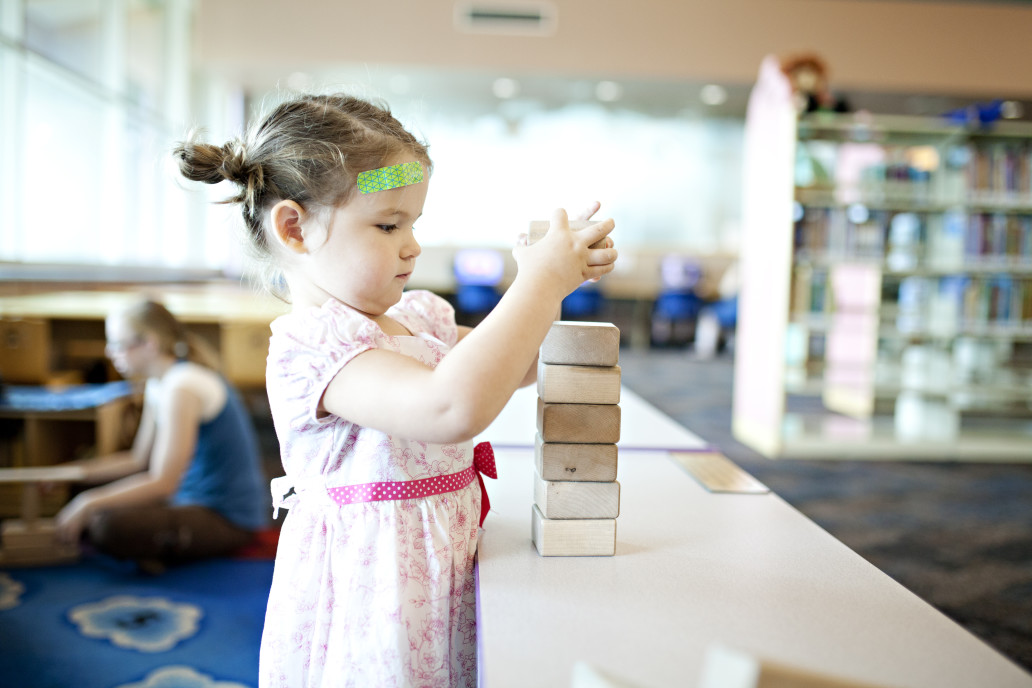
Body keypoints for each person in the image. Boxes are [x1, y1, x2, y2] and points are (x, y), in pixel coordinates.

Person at [174, 92, 617, 687]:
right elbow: (450, 406)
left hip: (442, 576)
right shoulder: (316, 348)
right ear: (294, 228)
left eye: (414, 223)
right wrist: (536, 285)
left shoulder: (422, 318)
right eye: (388, 224)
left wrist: (556, 278)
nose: (412, 245)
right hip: (376, 600)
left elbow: (516, 364)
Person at [54, 299, 268, 570]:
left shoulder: (182, 387)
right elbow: (138, 460)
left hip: (225, 517)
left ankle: (165, 550)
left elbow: (164, 482)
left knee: (106, 527)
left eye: (118, 344)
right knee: (79, 488)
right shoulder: (160, 383)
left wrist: (88, 503)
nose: (110, 353)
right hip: (185, 499)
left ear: (149, 343)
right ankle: (158, 548)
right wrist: (69, 472)